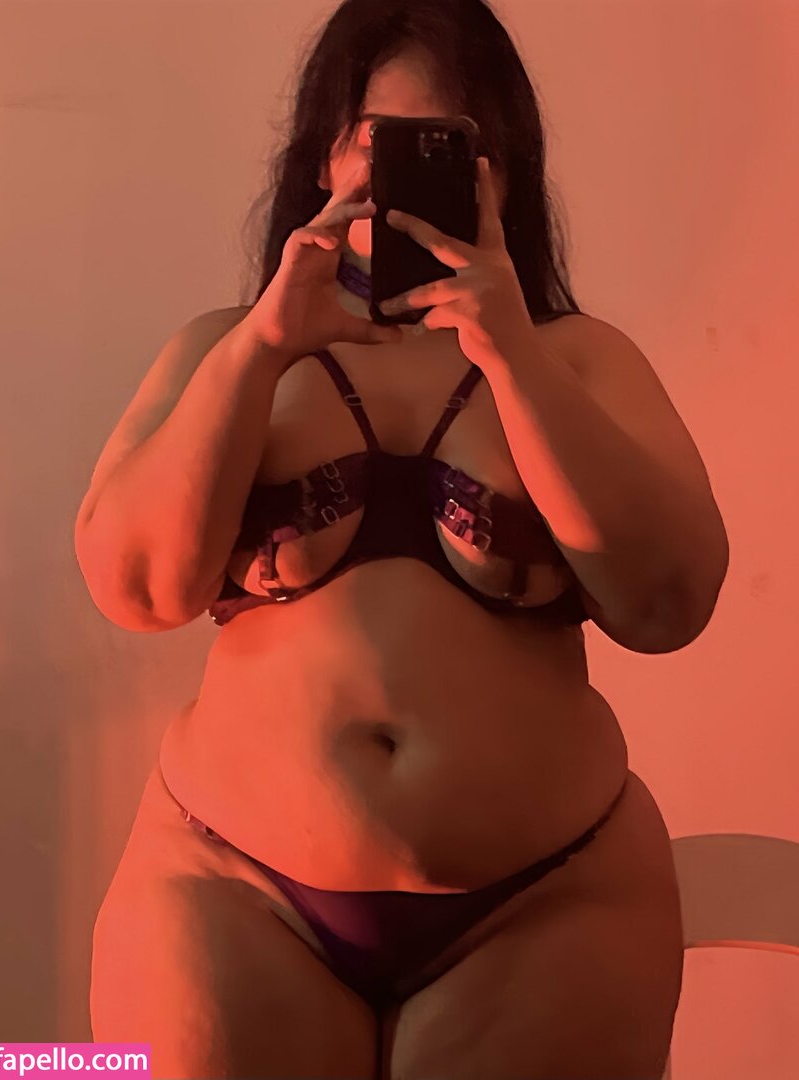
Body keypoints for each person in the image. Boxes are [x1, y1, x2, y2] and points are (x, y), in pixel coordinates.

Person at [75, 1, 728, 1077]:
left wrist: (509, 350)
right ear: (323, 159)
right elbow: (137, 586)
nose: (404, 179)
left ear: (502, 173)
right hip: (229, 887)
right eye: (378, 142)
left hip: (550, 900)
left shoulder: (580, 359)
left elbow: (668, 600)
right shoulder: (223, 348)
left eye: (451, 144)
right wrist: (263, 347)